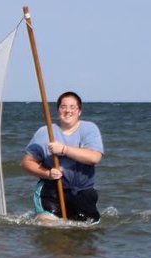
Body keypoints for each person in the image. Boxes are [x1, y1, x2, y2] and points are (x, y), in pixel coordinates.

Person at [21, 91, 104, 222]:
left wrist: (64, 149)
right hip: (52, 191)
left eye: (72, 107)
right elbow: (27, 162)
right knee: (51, 229)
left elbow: (94, 157)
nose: (67, 111)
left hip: (83, 192)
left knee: (86, 233)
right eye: (63, 107)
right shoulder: (45, 132)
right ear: (58, 110)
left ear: (79, 111)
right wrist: (48, 173)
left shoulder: (89, 129)